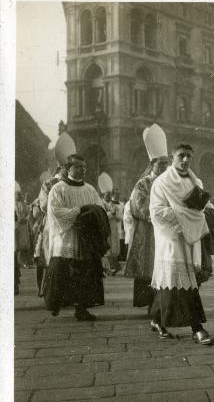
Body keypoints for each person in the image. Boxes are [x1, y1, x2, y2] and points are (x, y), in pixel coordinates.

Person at [149, 142, 214, 344]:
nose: (185, 160)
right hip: (172, 239)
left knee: (177, 284)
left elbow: (200, 209)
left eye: (189, 156)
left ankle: (157, 319)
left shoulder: (195, 181)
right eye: (181, 156)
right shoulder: (161, 182)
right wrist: (187, 215)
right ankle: (197, 328)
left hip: (191, 238)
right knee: (178, 282)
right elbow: (157, 212)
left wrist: (199, 210)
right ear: (172, 157)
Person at [43, 154, 108, 320]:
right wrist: (78, 212)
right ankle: (57, 303)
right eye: (78, 167)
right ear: (67, 169)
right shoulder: (58, 189)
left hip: (85, 239)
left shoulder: (90, 189)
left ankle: (82, 309)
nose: (82, 170)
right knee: (63, 272)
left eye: (84, 167)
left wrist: (91, 216)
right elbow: (55, 212)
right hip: (66, 237)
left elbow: (100, 210)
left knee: (85, 274)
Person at [124, 123, 170, 328]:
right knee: (149, 267)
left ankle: (161, 303)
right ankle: (149, 303)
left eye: (165, 164)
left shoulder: (170, 181)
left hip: (166, 230)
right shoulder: (142, 184)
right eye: (159, 164)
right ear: (152, 165)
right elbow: (136, 205)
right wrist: (154, 215)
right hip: (149, 230)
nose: (163, 167)